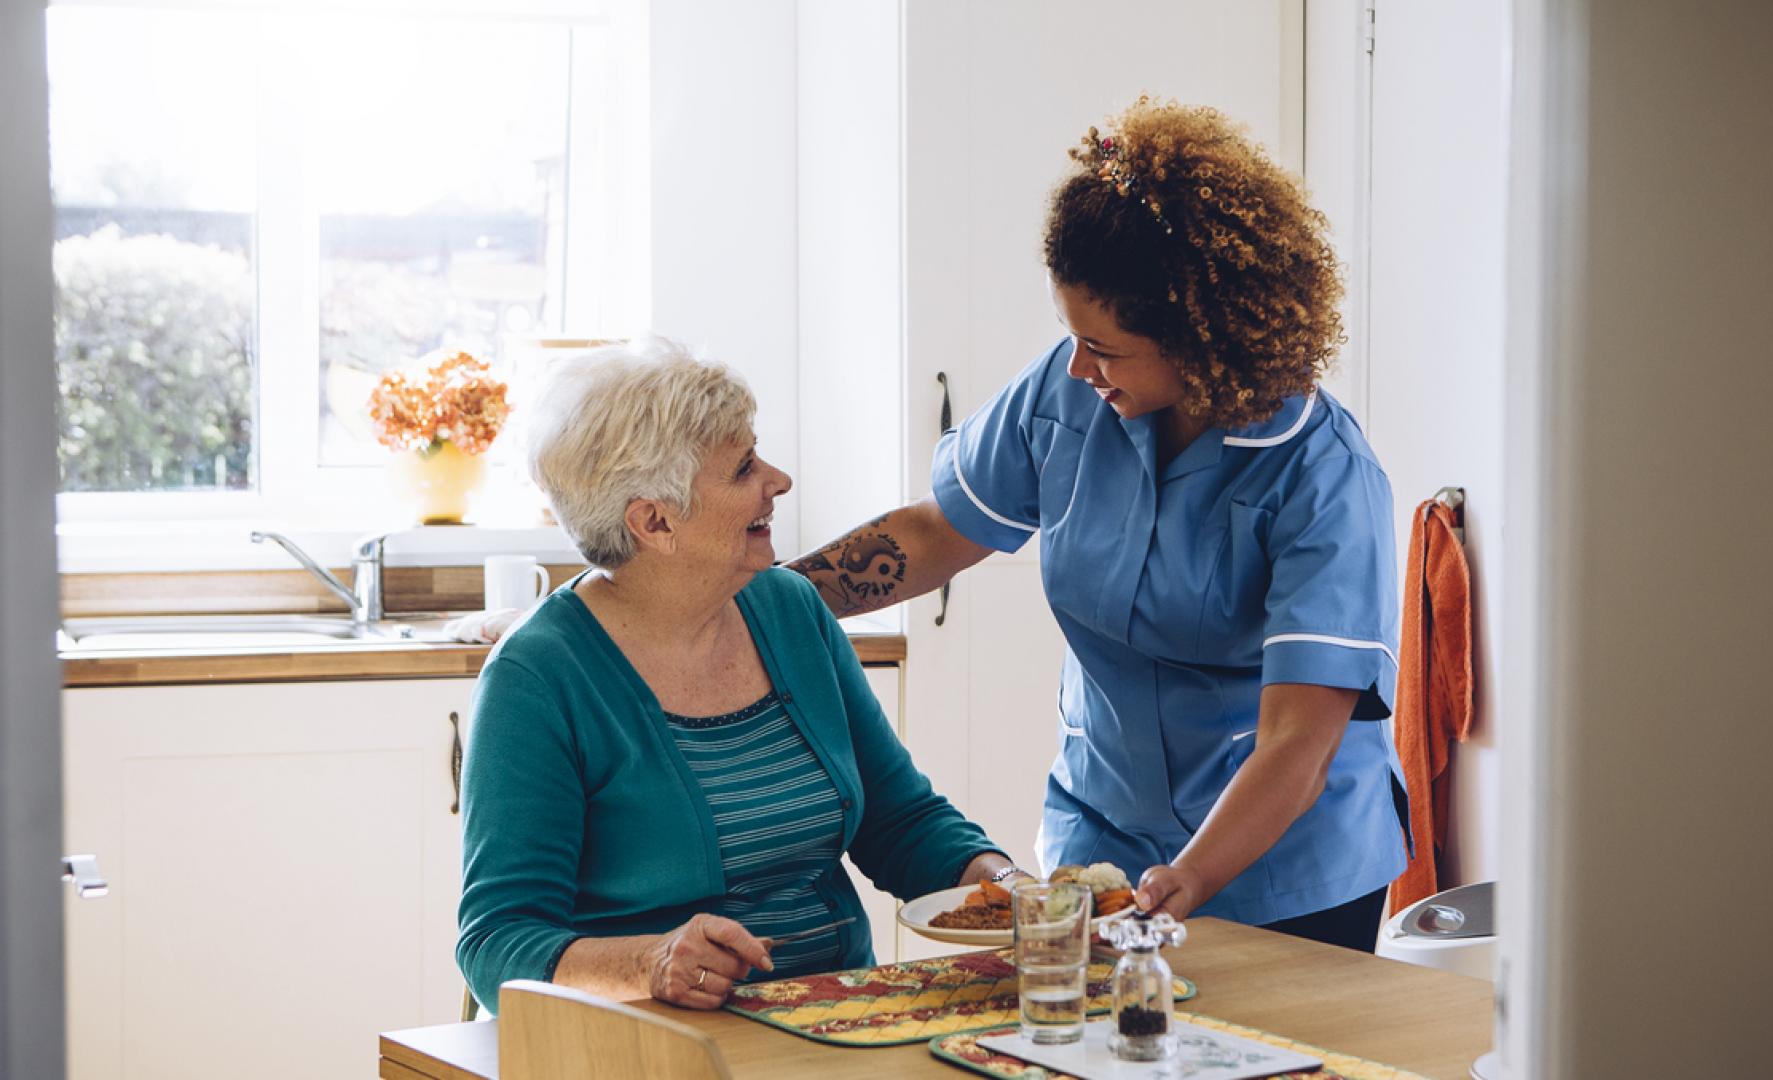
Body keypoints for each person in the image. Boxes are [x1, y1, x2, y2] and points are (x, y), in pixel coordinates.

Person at [789, 98, 1406, 951]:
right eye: (1071, 336)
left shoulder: (1322, 475)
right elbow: (935, 534)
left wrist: (1191, 877)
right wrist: (768, 600)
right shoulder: (1069, 389)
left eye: (1107, 348)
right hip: (1103, 838)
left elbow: (1300, 740)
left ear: (1200, 336)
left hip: (1283, 870)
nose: (1079, 365)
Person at [456, 336, 1020, 1013]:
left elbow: (899, 822)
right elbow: (497, 941)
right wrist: (653, 962)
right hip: (654, 1045)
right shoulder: (539, 676)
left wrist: (1008, 885)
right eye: (744, 468)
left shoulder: (789, 610)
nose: (778, 481)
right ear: (655, 521)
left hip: (835, 1021)